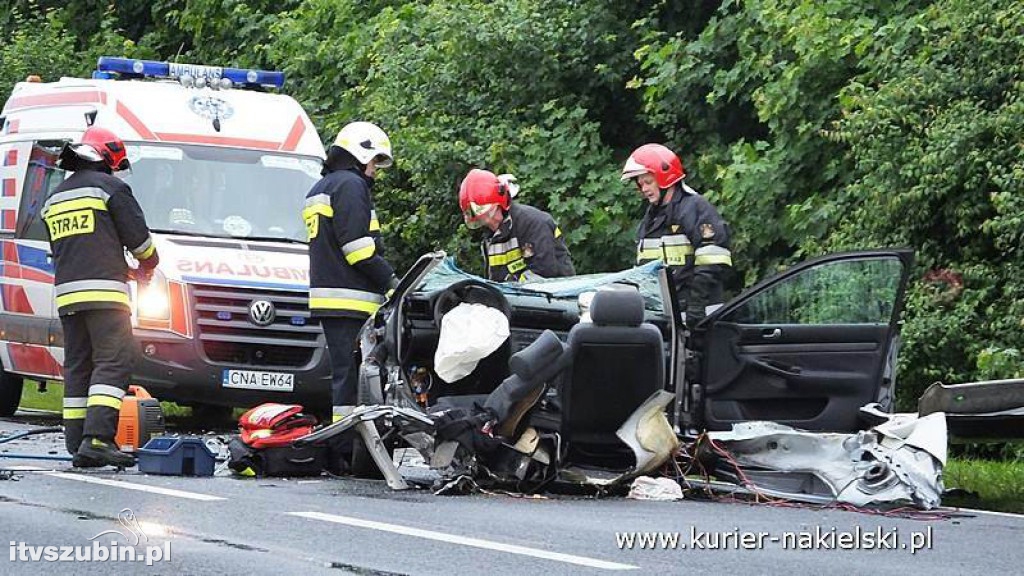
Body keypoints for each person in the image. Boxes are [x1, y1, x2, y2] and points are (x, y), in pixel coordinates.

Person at [45, 126, 160, 467]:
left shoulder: (55, 198)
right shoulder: (111, 188)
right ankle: (98, 439)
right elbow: (141, 244)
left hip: (67, 296)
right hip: (106, 294)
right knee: (114, 361)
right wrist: (147, 265)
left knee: (79, 365)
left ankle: (77, 441)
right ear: (108, 158)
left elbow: (75, 248)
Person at [303, 121, 399, 425]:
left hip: (332, 298)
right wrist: (392, 282)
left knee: (344, 376)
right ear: (360, 154)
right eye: (374, 162)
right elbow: (358, 250)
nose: (375, 170)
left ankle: (343, 443)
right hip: (352, 300)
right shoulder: (350, 186)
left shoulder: (322, 186)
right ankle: (348, 445)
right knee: (354, 378)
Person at [621, 143, 732, 327]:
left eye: (648, 182)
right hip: (668, 316)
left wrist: (696, 307)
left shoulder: (694, 208)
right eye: (640, 184)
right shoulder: (651, 218)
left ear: (664, 177)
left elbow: (712, 258)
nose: (644, 189)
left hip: (701, 315)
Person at [458, 168, 575, 282]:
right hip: (515, 300)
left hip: (555, 297)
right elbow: (495, 279)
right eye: (479, 217)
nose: (487, 222)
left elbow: (544, 274)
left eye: (488, 214)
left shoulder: (534, 223)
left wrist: (510, 288)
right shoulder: (491, 237)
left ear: (499, 203)